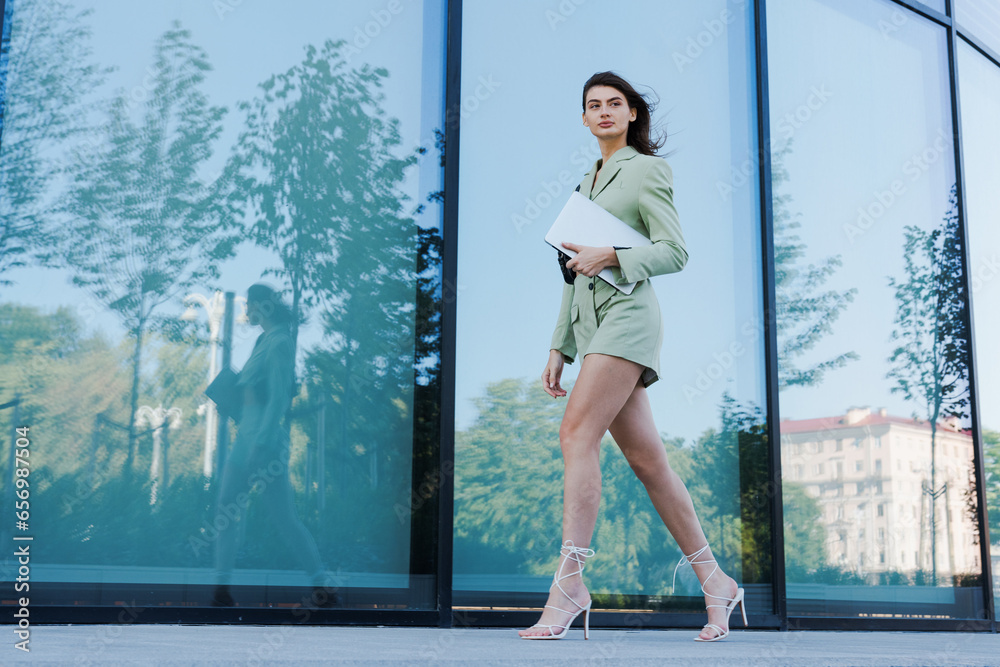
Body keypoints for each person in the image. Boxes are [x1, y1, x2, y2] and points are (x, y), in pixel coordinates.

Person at [518, 72, 746, 642]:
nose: (603, 112)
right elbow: (572, 273)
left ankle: (570, 581)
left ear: (634, 113)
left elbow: (674, 251)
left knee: (575, 434)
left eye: (614, 104)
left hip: (628, 321)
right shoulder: (586, 182)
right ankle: (716, 581)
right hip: (592, 329)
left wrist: (613, 253)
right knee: (649, 464)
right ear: (585, 117)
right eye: (593, 106)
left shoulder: (647, 169)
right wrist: (558, 345)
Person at [211, 283, 335, 608]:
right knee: (227, 507)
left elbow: (279, 397)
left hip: (264, 441)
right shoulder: (263, 340)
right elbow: (257, 394)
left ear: (262, 306)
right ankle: (221, 590)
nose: (246, 313)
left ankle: (322, 585)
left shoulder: (280, 341)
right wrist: (231, 402)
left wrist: (262, 443)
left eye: (249, 306)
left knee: (282, 517)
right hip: (246, 436)